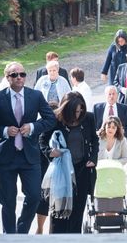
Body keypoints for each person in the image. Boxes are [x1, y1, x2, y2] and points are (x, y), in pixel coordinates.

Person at [0, 62, 56, 234]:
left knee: (35, 196)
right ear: (7, 78)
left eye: (22, 74)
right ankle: (9, 237)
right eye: (14, 75)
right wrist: (4, 130)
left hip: (30, 155)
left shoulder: (35, 96)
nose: (19, 77)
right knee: (8, 201)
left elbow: (50, 119)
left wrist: (33, 127)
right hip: (6, 156)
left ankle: (21, 232)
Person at [40, 92, 99, 234]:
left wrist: (93, 158)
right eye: (75, 112)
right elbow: (42, 140)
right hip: (62, 173)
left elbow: (94, 140)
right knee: (59, 212)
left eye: (80, 111)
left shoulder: (88, 118)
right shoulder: (55, 119)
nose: (78, 115)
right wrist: (49, 151)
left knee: (77, 213)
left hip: (82, 170)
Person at [35, 100, 59, 235]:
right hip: (42, 165)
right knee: (44, 199)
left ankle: (52, 228)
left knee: (55, 199)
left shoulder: (61, 124)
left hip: (57, 164)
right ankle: (40, 228)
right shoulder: (40, 124)